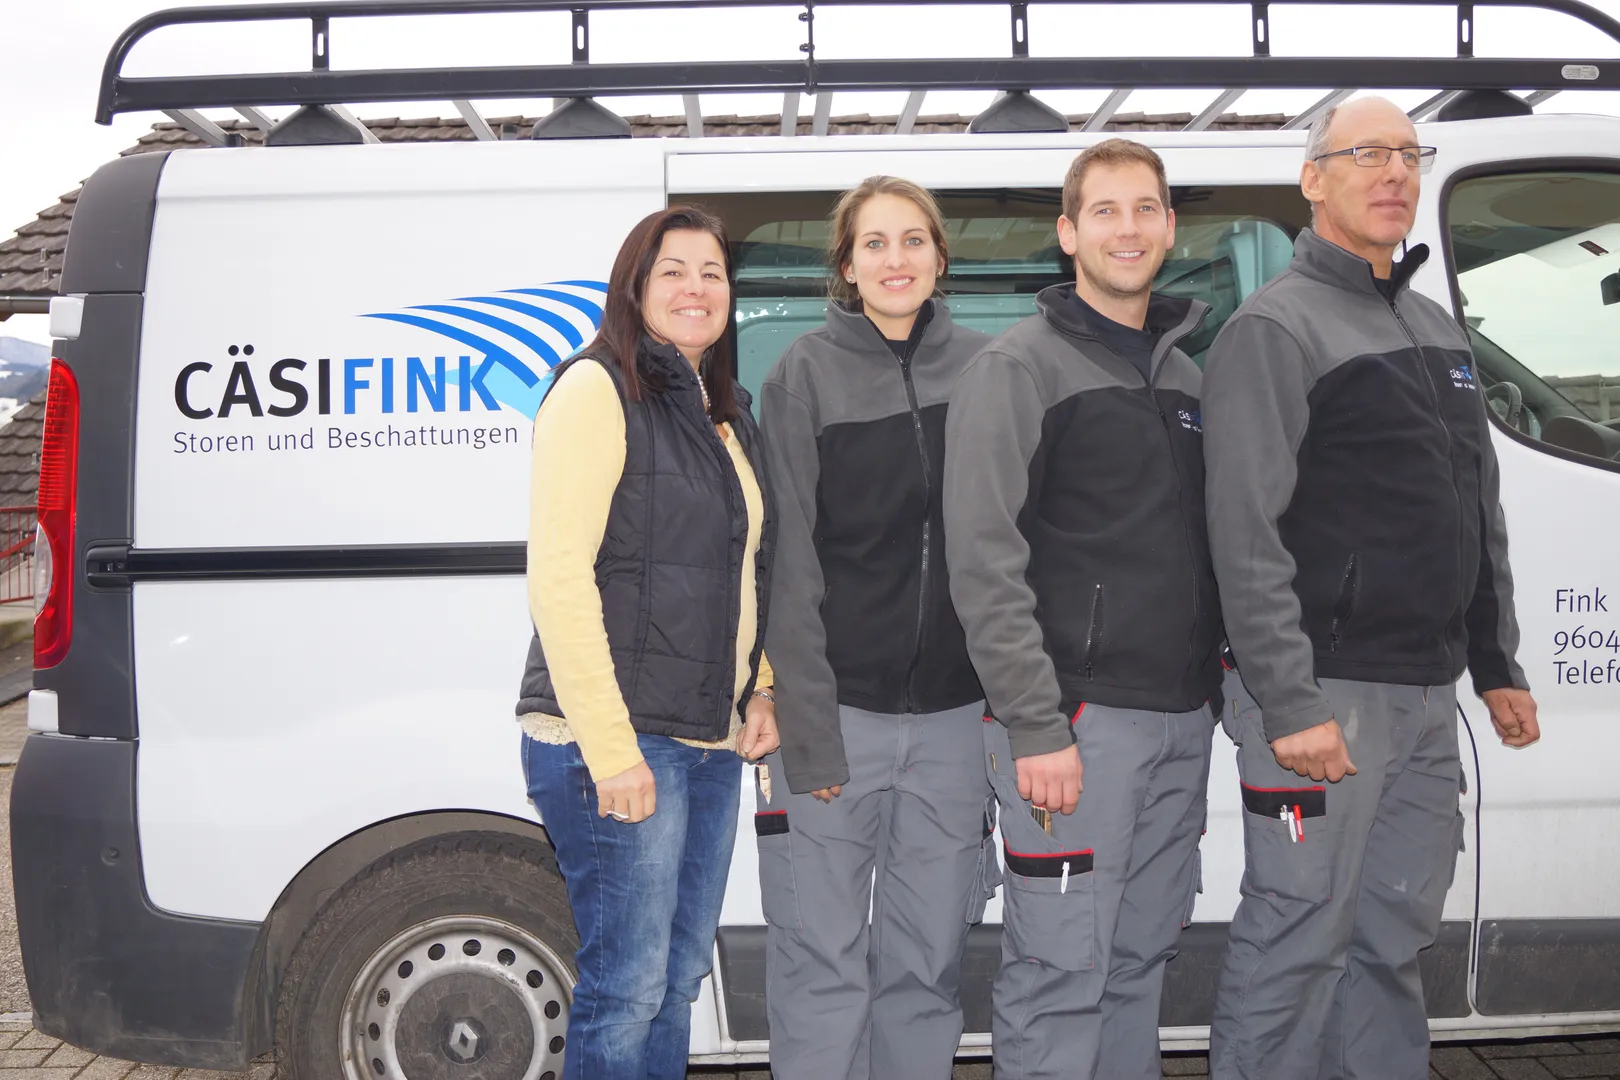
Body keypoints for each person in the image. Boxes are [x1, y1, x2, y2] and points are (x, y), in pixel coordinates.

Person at [1202, 96, 1541, 1080]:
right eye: (1367, 154)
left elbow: (1475, 507)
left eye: (1408, 154)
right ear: (1314, 180)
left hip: (1426, 692)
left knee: (1393, 935)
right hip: (1325, 691)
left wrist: (1496, 663)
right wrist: (1290, 700)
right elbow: (1243, 532)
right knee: (1299, 936)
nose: (1394, 172)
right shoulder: (1275, 328)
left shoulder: (1434, 326)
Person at [942, 139, 1223, 1080]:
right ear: (1068, 233)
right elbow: (984, 560)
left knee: (1139, 961)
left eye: (1144, 209)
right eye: (1104, 210)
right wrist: (1037, 722)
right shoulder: (1018, 369)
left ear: (1170, 227)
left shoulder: (1185, 378)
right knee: (1061, 975)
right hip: (1076, 726)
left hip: (1181, 719)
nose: (1127, 229)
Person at [515, 205, 780, 1080]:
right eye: (673, 271)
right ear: (634, 288)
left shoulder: (724, 414)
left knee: (675, 979)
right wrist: (611, 750)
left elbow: (746, 566)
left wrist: (762, 686)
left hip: (706, 741)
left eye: (712, 272)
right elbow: (560, 577)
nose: (696, 288)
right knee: (626, 989)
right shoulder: (597, 389)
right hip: (621, 741)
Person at [755, 175, 995, 1080]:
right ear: (847, 267)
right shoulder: (802, 376)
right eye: (875, 244)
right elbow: (788, 565)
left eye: (913, 240)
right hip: (837, 719)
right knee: (822, 966)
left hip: (955, 724)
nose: (897, 260)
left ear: (939, 256)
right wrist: (808, 727)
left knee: (926, 966)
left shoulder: (989, 370)